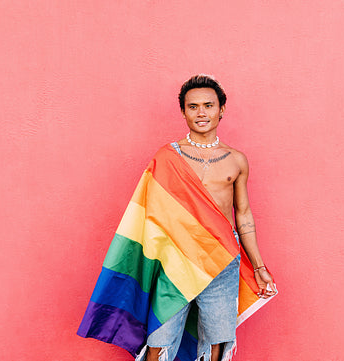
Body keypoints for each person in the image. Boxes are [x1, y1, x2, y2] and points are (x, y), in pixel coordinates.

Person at [77, 74, 277, 361]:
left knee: (215, 340)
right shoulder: (168, 158)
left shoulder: (236, 160)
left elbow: (243, 214)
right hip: (175, 258)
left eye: (208, 105)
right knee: (161, 335)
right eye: (193, 106)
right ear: (183, 112)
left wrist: (258, 266)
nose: (201, 113)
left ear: (221, 109)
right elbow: (149, 216)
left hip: (221, 258)